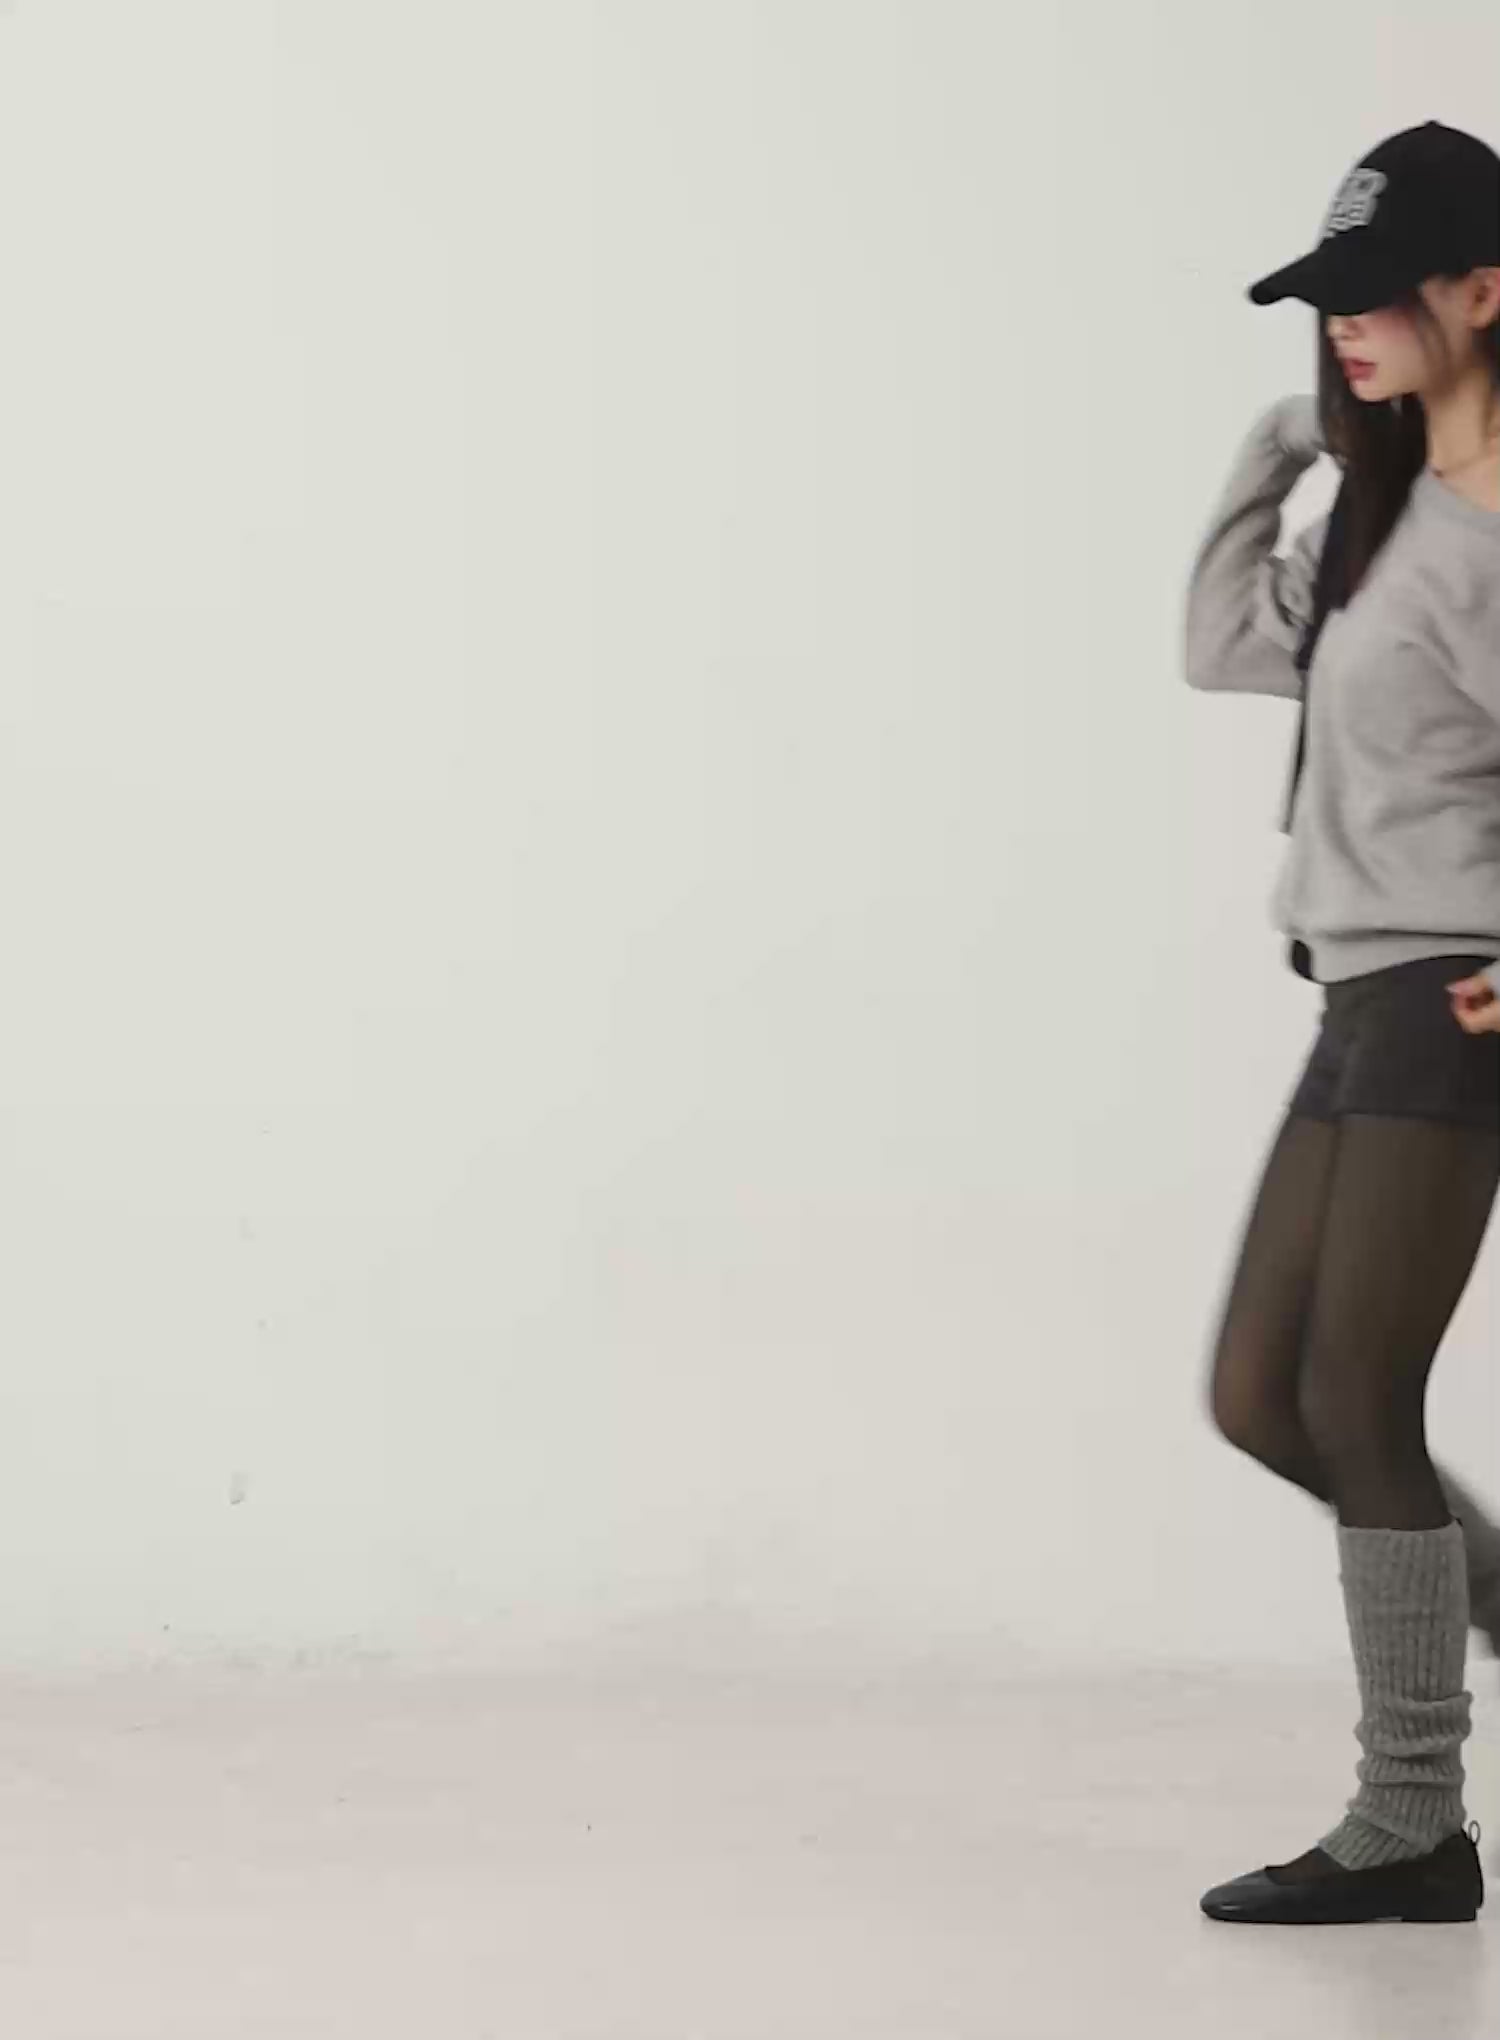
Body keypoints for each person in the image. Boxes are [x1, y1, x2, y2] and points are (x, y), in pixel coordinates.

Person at [1184, 120, 1500, 1926]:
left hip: (1451, 1003)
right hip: (1358, 991)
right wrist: (1278, 449)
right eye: (1327, 302)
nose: (1344, 328)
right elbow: (1226, 645)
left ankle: (1413, 1825)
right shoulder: (1386, 511)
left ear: (1484, 293)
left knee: (1356, 1395)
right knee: (1260, 1396)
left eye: (1375, 298)